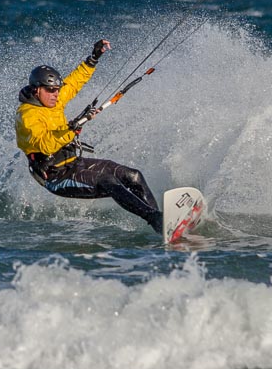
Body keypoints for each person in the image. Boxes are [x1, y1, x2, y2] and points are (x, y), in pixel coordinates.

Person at [15, 39, 163, 233]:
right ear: (37, 89)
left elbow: (75, 82)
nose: (56, 94)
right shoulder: (27, 117)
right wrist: (73, 128)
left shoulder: (53, 100)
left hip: (74, 163)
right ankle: (156, 220)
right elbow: (46, 145)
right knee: (109, 182)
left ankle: (164, 225)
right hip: (56, 177)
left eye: (57, 90)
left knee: (133, 176)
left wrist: (93, 58)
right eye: (51, 90)